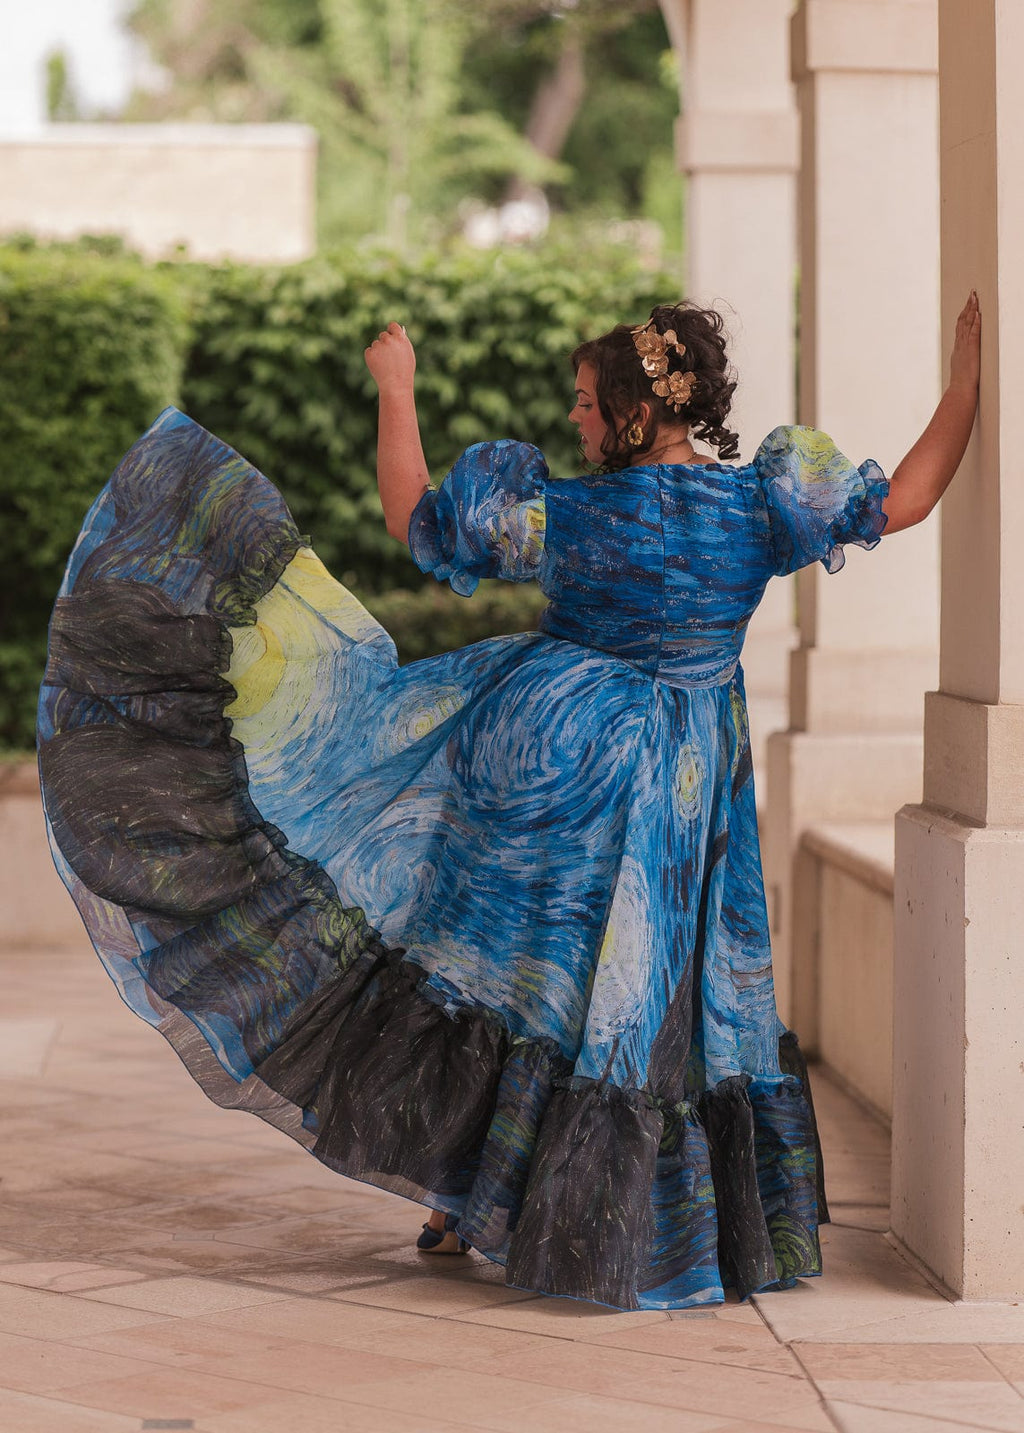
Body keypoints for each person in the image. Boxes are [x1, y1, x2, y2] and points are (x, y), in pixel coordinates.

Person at [38, 292, 980, 1312]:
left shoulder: (567, 515)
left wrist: (396, 389)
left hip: (550, 771)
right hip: (677, 791)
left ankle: (462, 1197)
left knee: (518, 986)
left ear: (628, 410)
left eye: (584, 403)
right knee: (635, 1003)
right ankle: (613, 1224)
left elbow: (414, 517)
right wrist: (966, 381)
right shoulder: (762, 508)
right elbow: (905, 500)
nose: (572, 419)